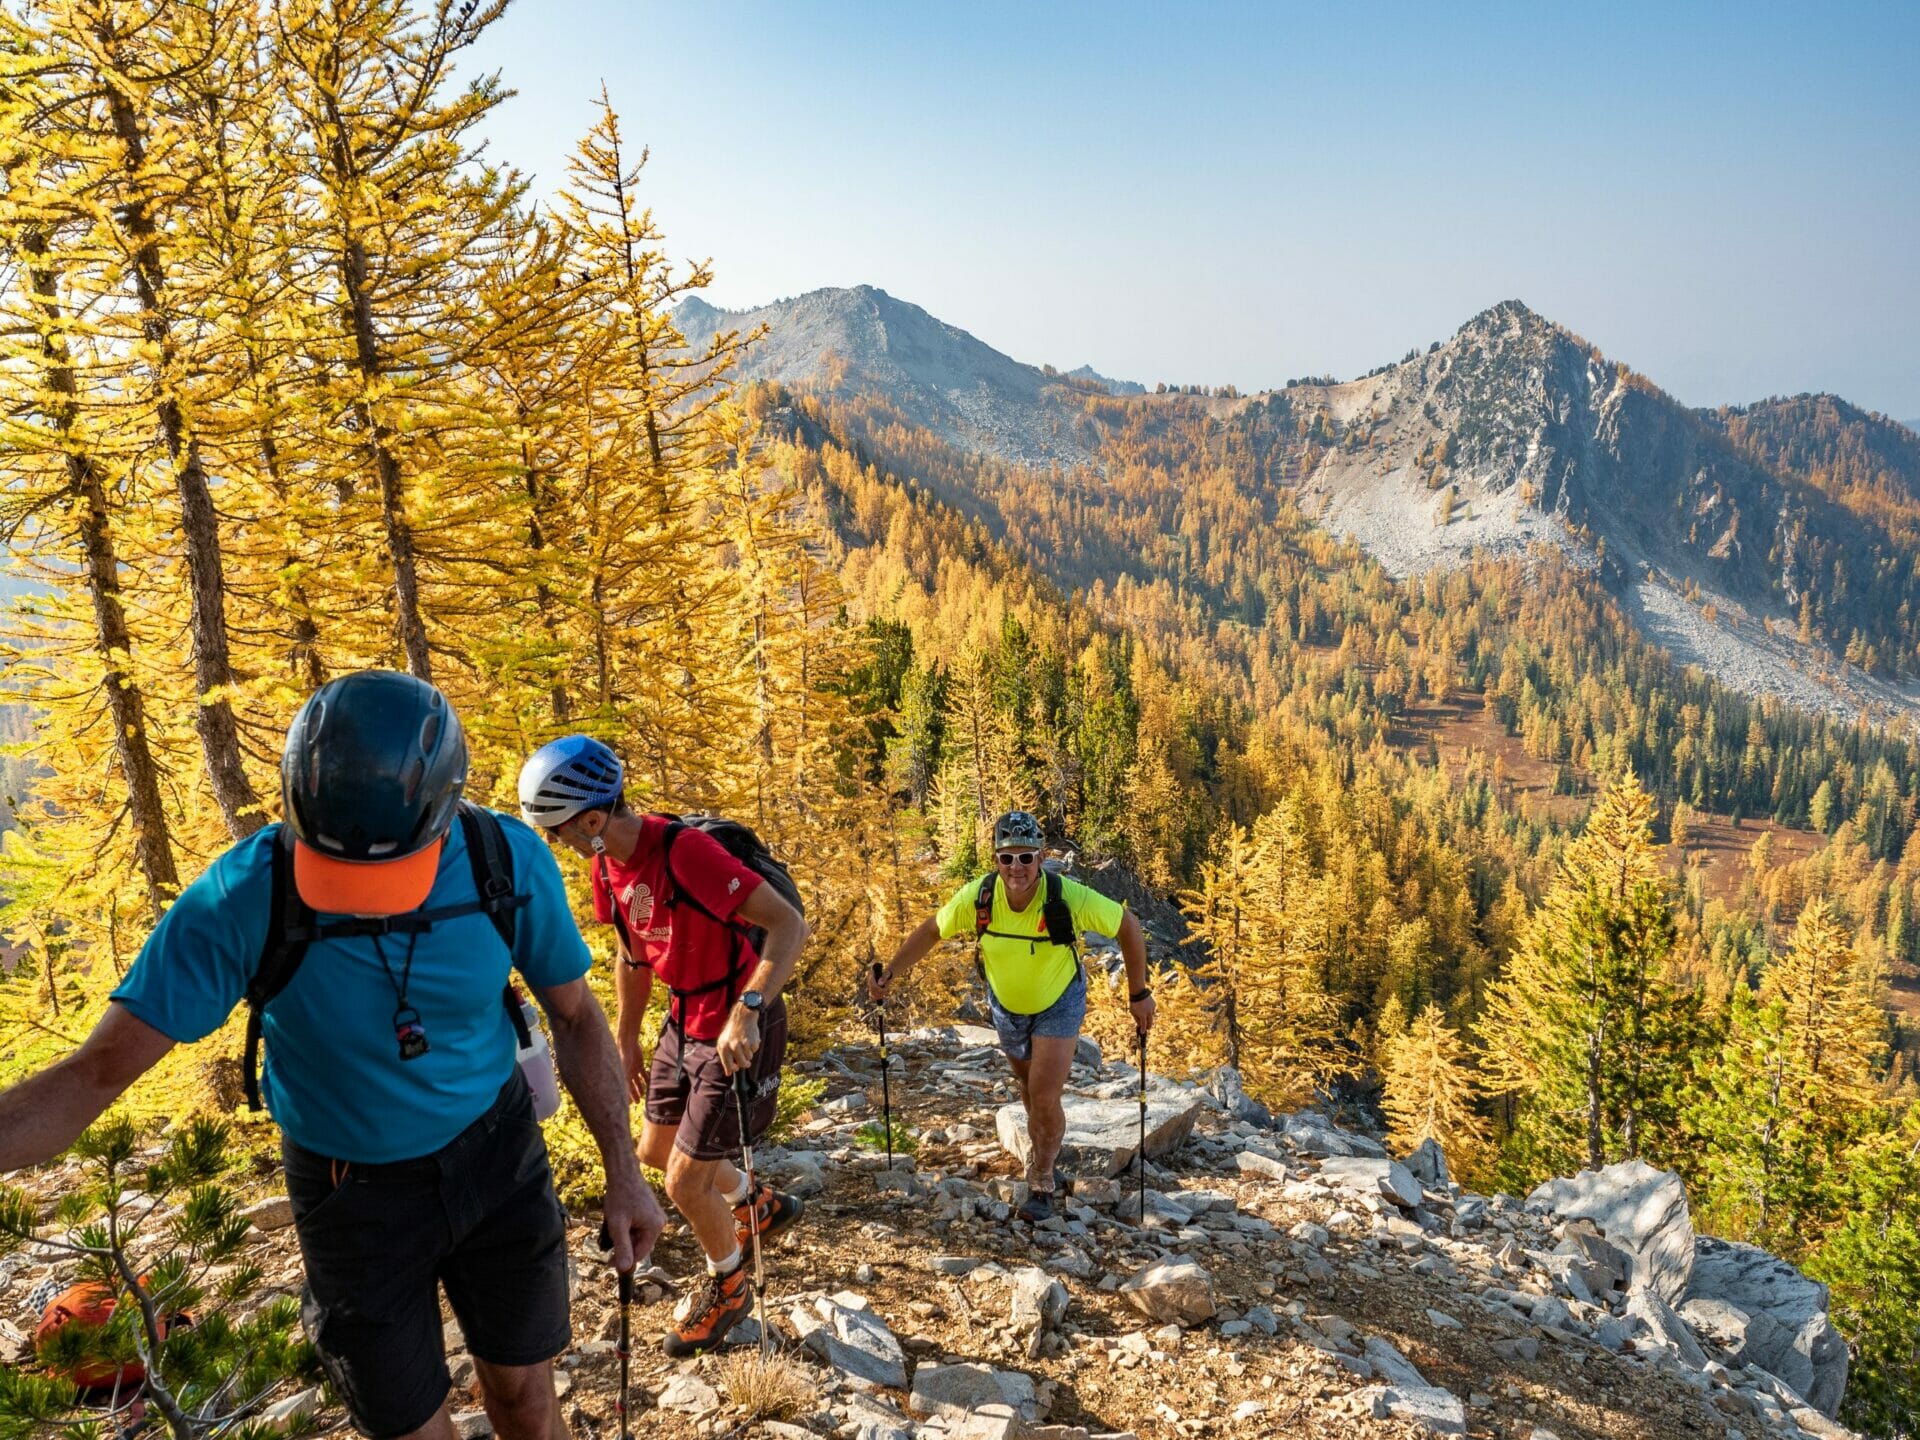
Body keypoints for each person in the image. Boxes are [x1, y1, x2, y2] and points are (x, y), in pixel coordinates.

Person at [0, 671, 663, 1440]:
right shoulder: (244, 896)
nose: (361, 893)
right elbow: (94, 1073)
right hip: (352, 1195)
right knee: (408, 1426)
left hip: (497, 1157)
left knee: (523, 1397)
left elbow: (576, 1018)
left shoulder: (503, 862)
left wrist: (625, 1174)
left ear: (447, 808)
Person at [518, 736, 809, 1357]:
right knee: (653, 1149)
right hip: (683, 1017)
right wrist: (625, 1038)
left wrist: (750, 1010)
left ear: (593, 820)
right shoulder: (606, 866)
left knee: (682, 1183)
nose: (557, 843)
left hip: (736, 1020)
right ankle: (751, 1202)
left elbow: (788, 924)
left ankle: (729, 1284)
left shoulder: (686, 853)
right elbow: (632, 952)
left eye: (558, 829)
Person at [870, 809, 1154, 1222]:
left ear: (1040, 857)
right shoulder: (979, 897)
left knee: (1042, 1094)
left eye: (1025, 857)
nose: (1016, 868)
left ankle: (1041, 1178)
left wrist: (1139, 993)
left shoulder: (1066, 896)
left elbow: (1127, 925)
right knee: (1025, 1085)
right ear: (995, 861)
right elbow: (932, 930)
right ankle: (1043, 1146)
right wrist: (891, 972)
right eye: (1007, 858)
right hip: (1006, 1005)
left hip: (1059, 1001)